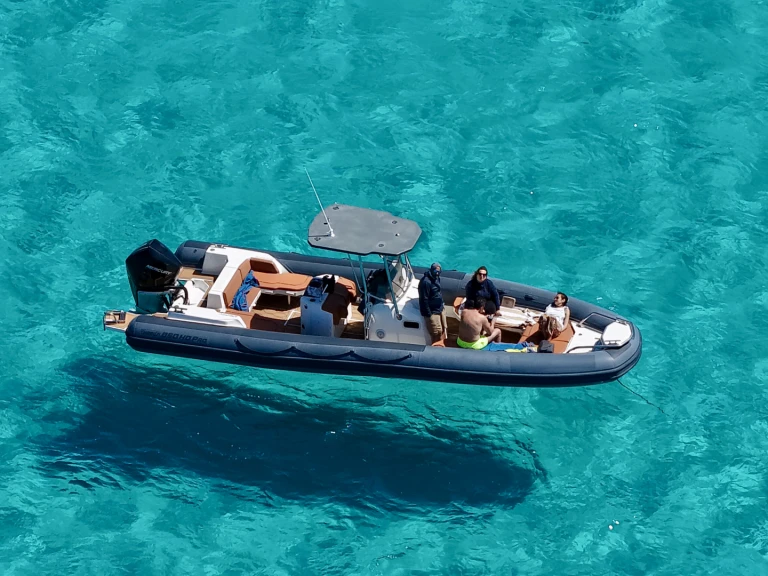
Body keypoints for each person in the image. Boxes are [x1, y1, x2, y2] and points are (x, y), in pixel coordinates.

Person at [418, 262, 447, 344]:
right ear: (431, 270)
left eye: (438, 271)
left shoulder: (437, 278)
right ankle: (435, 347)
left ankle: (442, 343)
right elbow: (424, 299)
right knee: (436, 333)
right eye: (435, 271)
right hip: (432, 311)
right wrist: (429, 314)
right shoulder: (426, 282)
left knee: (443, 328)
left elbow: (438, 291)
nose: (437, 273)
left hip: (440, 308)